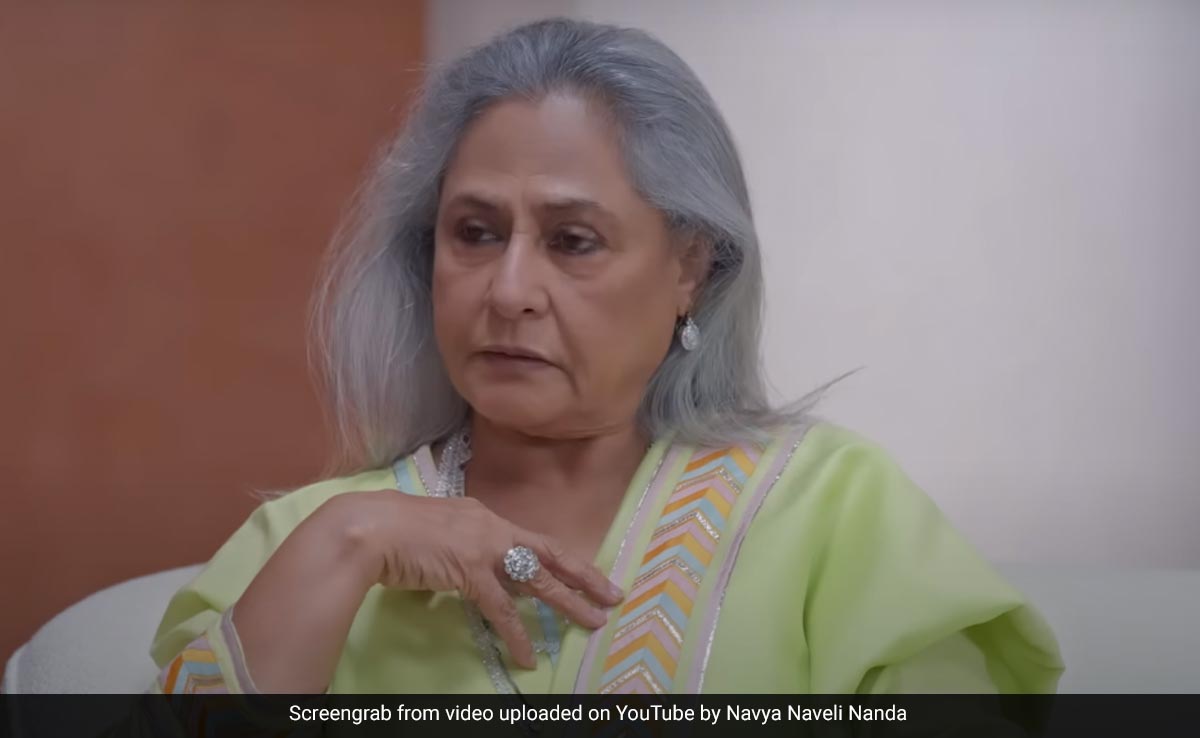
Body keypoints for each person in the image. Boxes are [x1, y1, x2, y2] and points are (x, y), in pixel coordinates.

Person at [149, 17, 1063, 696]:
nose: (509, 289)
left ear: (691, 268)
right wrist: (347, 544)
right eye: (475, 232)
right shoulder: (309, 538)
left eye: (573, 240)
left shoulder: (834, 509)